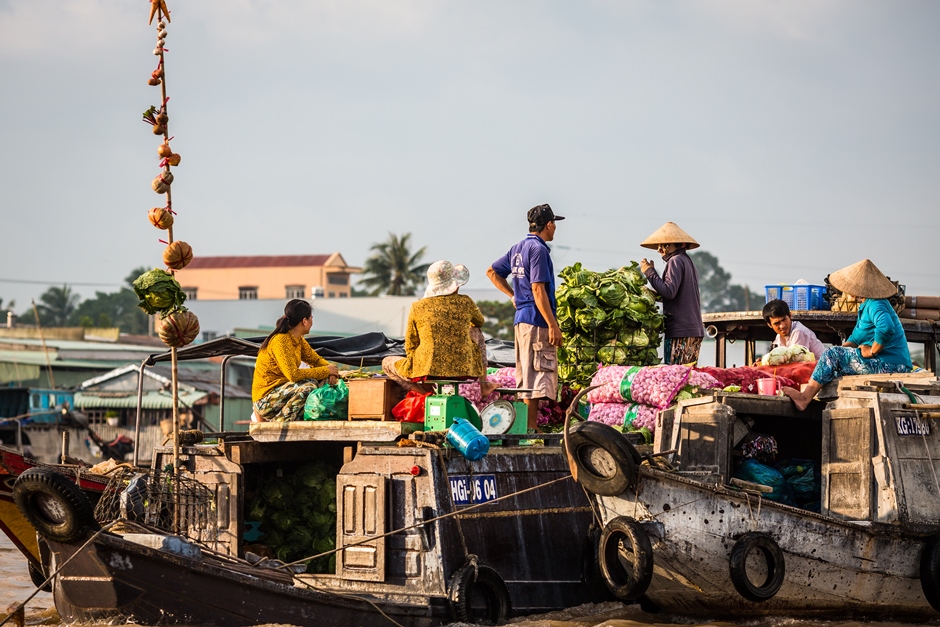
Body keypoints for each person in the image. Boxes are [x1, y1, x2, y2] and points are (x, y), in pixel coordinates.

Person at [782, 259, 911, 411]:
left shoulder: (876, 303)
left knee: (832, 354)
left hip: (890, 364)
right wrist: (831, 359)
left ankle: (804, 398)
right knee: (832, 356)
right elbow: (855, 339)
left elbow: (887, 328)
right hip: (883, 363)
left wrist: (872, 350)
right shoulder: (865, 305)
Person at [487, 203, 564, 432]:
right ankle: (531, 428)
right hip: (537, 319)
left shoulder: (518, 248)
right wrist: (553, 325)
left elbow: (492, 272)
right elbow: (539, 290)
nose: (554, 230)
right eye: (554, 225)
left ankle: (528, 427)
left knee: (527, 371)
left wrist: (513, 295)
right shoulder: (538, 250)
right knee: (539, 371)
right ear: (548, 225)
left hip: (522, 318)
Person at [383, 260, 498, 397]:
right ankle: (484, 384)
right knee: (476, 330)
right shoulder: (465, 302)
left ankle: (425, 393)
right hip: (464, 368)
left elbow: (411, 343)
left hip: (426, 369)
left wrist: (419, 364)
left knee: (386, 362)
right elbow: (480, 321)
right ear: (454, 285)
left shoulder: (417, 306)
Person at [252, 299, 339, 422]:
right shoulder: (280, 341)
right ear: (304, 321)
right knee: (308, 388)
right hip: (266, 400)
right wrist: (326, 370)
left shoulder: (298, 340)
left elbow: (315, 359)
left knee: (318, 383)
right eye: (311, 318)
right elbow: (293, 375)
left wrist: (332, 370)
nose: (312, 322)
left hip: (284, 392)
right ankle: (277, 424)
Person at [639, 222, 704, 365]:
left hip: (681, 331)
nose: (661, 249)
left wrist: (649, 272)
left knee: (675, 377)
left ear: (680, 244)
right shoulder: (687, 261)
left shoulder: (675, 261)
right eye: (660, 246)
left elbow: (669, 292)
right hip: (692, 329)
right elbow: (675, 294)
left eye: (666, 245)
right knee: (688, 376)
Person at [762, 299, 827, 360]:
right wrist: (763, 362)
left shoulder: (798, 332)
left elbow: (794, 361)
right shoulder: (778, 337)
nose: (782, 326)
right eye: (777, 323)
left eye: (784, 319)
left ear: (790, 316)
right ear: (770, 325)